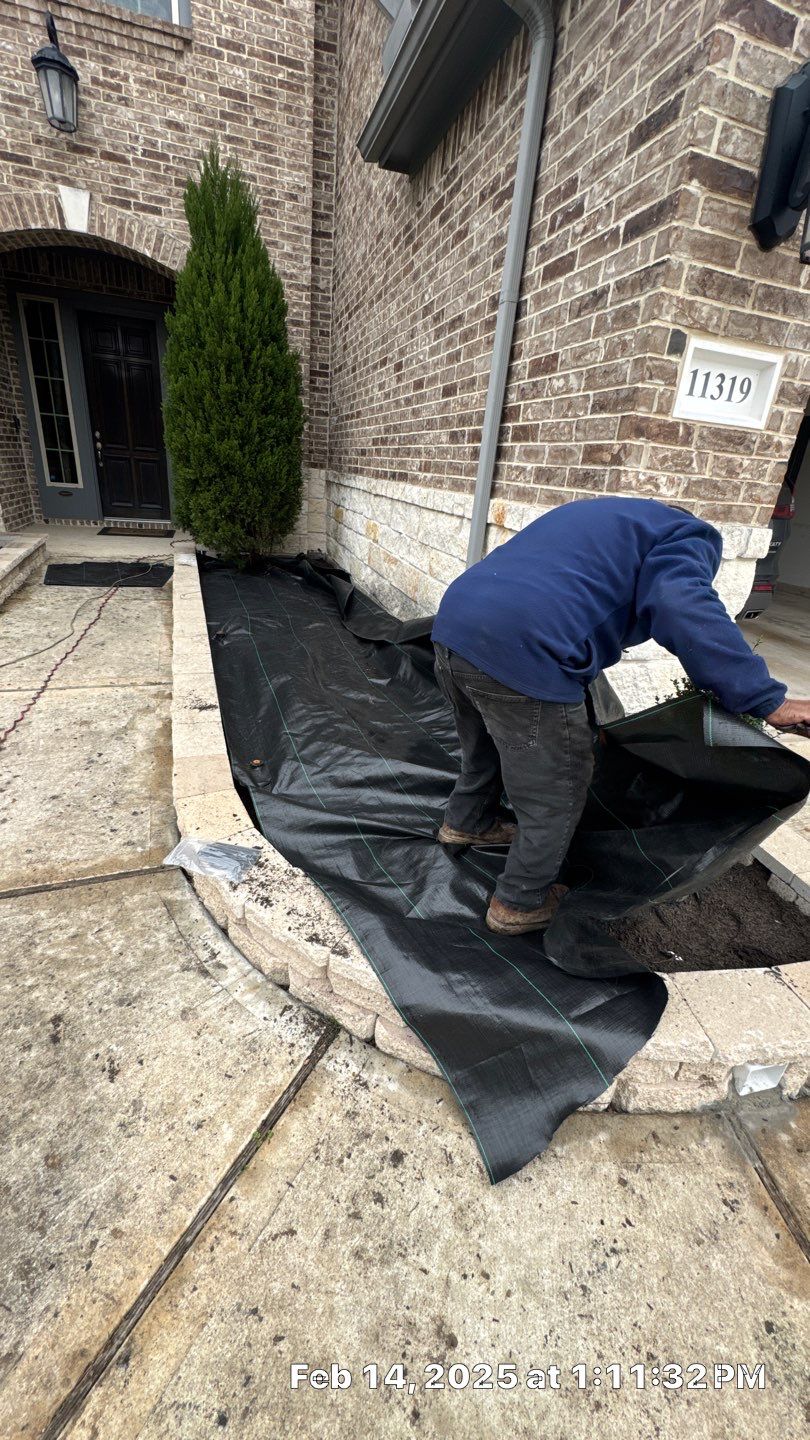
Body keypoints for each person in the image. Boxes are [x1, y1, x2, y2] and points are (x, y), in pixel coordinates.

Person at [432, 496, 810, 936]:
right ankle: (520, 901)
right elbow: (681, 605)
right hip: (526, 650)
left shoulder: (603, 516)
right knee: (557, 788)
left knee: (486, 744)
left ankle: (467, 823)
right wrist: (767, 699)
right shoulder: (688, 535)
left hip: (452, 628)